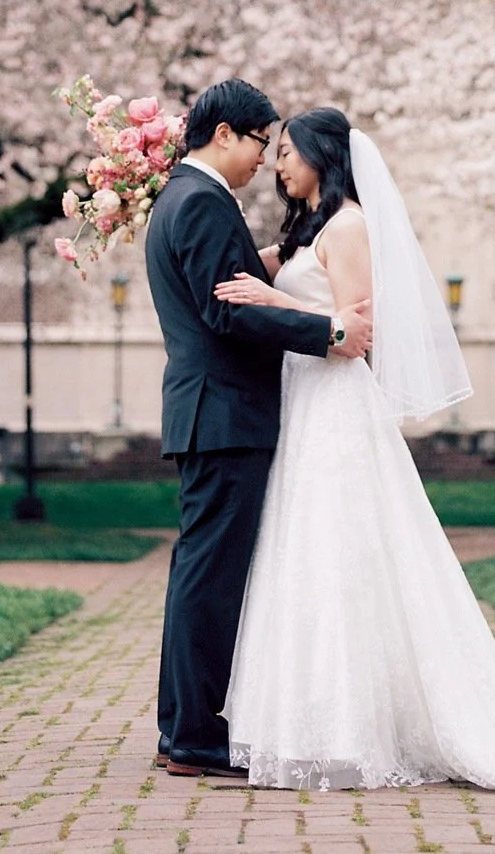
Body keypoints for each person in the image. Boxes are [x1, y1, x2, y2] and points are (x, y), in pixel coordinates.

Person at [214, 107, 495, 798]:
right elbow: (248, 273)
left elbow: (355, 333)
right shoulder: (309, 228)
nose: (278, 164)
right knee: (304, 552)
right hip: (301, 404)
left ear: (323, 154)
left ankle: (353, 732)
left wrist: (267, 301)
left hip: (335, 407)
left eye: (287, 152)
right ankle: (311, 724)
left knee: (340, 553)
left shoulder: (349, 226)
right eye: (274, 151)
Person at [144, 80, 373, 778]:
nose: (265, 163)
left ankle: (182, 729)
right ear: (224, 136)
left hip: (211, 413)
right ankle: (190, 737)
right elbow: (228, 312)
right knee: (208, 580)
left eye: (282, 149)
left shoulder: (180, 200)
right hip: (224, 415)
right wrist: (327, 329)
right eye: (259, 143)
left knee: (199, 574)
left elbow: (248, 285)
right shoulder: (204, 202)